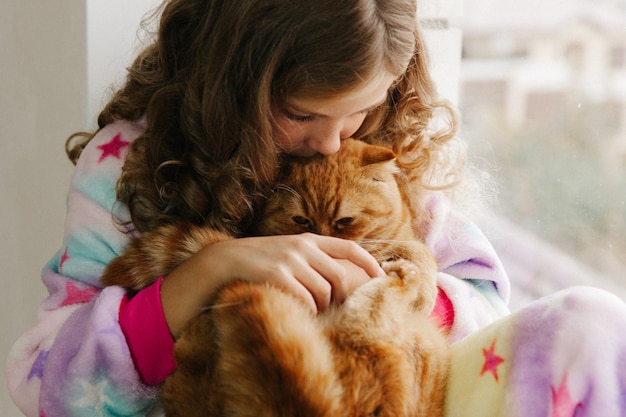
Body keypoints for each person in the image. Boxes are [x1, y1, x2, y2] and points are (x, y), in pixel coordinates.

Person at [7, 0, 625, 416]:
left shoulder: (387, 148)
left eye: (358, 109)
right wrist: (208, 273)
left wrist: (387, 294)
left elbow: (486, 306)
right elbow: (44, 382)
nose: (332, 141)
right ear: (231, 85)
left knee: (595, 323)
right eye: (301, 114)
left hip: (395, 388)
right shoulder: (128, 167)